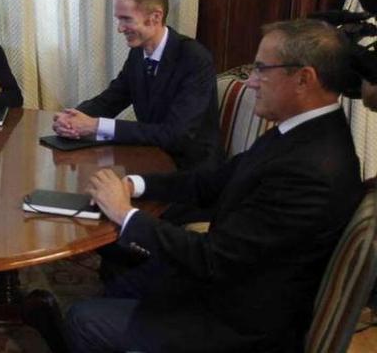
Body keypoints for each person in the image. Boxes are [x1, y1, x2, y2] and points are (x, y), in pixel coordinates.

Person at [65, 19, 364, 352]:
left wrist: (125, 213)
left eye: (261, 69)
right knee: (123, 273)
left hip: (239, 324)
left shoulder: (311, 168)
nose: (251, 82)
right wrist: (132, 185)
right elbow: (211, 181)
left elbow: (213, 259)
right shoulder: (305, 133)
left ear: (303, 79)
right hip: (232, 284)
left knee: (82, 317)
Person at [52, 0, 220, 170]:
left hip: (189, 170)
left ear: (155, 17)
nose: (119, 28)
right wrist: (72, 118)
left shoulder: (194, 58)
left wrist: (96, 126)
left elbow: (176, 134)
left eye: (126, 19)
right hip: (150, 158)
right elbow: (111, 99)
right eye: (118, 19)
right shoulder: (138, 54)